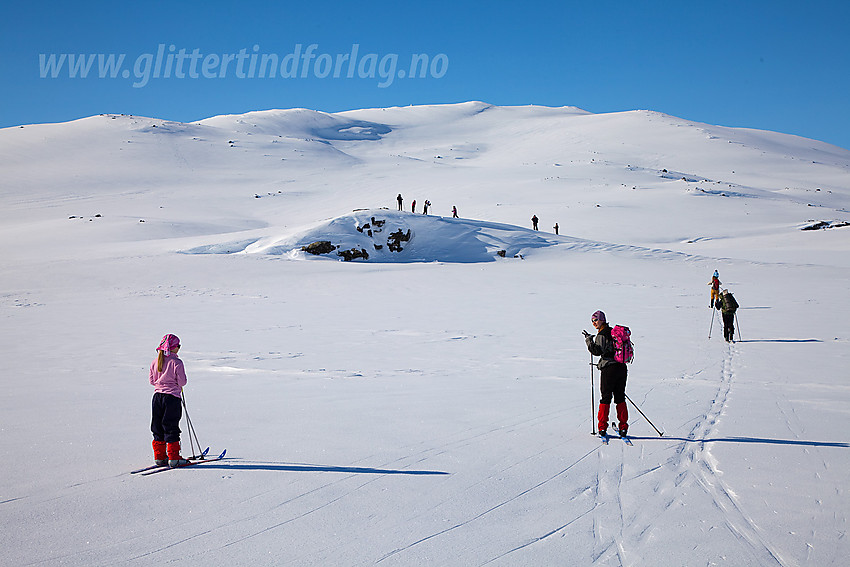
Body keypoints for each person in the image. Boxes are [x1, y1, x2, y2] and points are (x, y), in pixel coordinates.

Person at [584, 310, 628, 436]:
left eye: (596, 320)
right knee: (620, 397)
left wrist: (589, 341)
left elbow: (597, 351)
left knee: (606, 398)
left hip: (609, 370)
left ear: (602, 319)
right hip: (621, 368)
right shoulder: (614, 333)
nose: (594, 323)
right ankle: (623, 427)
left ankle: (602, 427)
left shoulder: (603, 334)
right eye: (592, 321)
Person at [149, 334, 190, 467]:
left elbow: (152, 381)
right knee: (171, 426)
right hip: (172, 398)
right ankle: (174, 457)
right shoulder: (177, 363)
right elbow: (182, 382)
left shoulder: (155, 362)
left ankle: (160, 457)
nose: (179, 348)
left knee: (157, 426)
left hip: (157, 398)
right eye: (178, 346)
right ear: (173, 348)